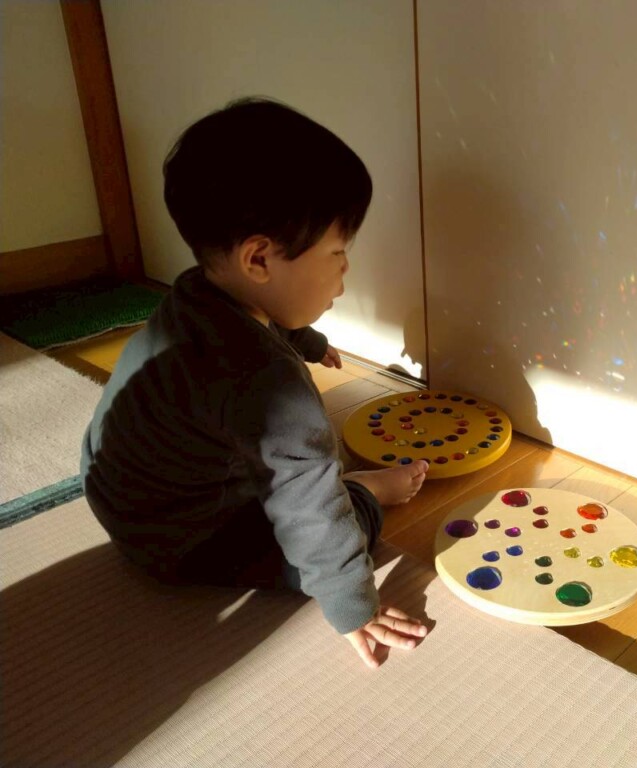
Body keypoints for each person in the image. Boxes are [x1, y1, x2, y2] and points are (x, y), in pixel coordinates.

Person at [81, 97, 429, 668]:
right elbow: (309, 500)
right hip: (182, 542)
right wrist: (354, 605)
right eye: (338, 253)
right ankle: (369, 490)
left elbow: (262, 325)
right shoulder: (267, 380)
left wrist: (307, 341)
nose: (346, 270)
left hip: (117, 495)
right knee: (333, 526)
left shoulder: (194, 296)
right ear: (259, 260)